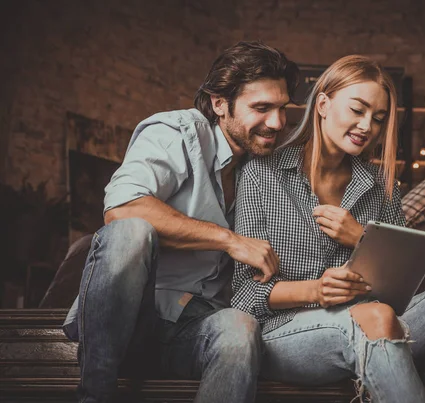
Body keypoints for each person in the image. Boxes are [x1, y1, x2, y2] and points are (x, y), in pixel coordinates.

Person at [231, 55, 425, 403]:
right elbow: (245, 296)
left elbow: (400, 293)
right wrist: (318, 290)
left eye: (378, 118)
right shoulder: (261, 175)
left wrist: (361, 239)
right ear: (322, 104)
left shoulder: (383, 188)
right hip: (286, 335)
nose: (367, 126)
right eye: (358, 109)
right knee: (376, 316)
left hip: (380, 322)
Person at [62, 40, 300, 403]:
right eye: (262, 108)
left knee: (240, 328)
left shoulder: (263, 170)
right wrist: (229, 240)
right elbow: (122, 209)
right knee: (131, 232)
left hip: (197, 329)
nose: (277, 123)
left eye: (283, 109)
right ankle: (94, 396)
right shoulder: (178, 133)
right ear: (220, 103)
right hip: (129, 322)